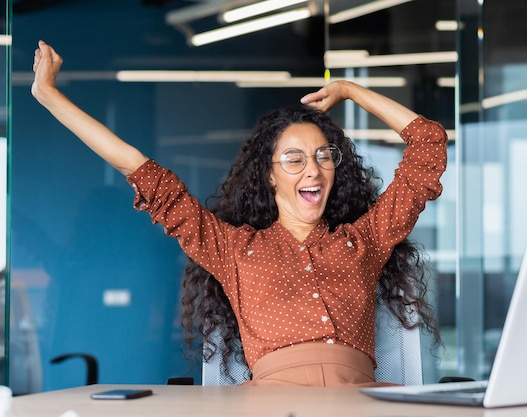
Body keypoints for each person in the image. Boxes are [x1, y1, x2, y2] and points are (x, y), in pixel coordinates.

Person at [31, 40, 448, 387]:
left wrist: (352, 91)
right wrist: (49, 95)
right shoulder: (234, 248)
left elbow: (428, 144)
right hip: (270, 405)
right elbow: (136, 167)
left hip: (362, 402)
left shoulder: (365, 240)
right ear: (268, 176)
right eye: (294, 159)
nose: (313, 169)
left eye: (323, 156)